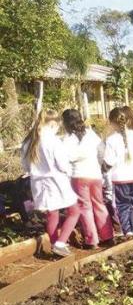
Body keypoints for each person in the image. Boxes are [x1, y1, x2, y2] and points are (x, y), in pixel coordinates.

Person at [21, 109, 81, 256]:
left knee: (51, 214)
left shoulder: (28, 141)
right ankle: (60, 243)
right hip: (56, 181)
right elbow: (62, 164)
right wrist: (69, 171)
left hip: (38, 183)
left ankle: (55, 245)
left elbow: (26, 166)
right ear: (54, 123)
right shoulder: (53, 140)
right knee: (74, 211)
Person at [62, 109, 114, 248]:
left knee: (85, 208)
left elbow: (65, 159)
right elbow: (102, 150)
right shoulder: (91, 134)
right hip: (95, 174)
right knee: (99, 204)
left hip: (78, 176)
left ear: (66, 123)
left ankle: (92, 240)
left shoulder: (67, 139)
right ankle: (108, 236)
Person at [104, 107, 133, 239]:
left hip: (120, 177)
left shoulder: (111, 139)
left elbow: (109, 160)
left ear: (113, 122)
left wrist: (103, 168)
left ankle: (128, 231)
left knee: (123, 205)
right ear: (127, 120)